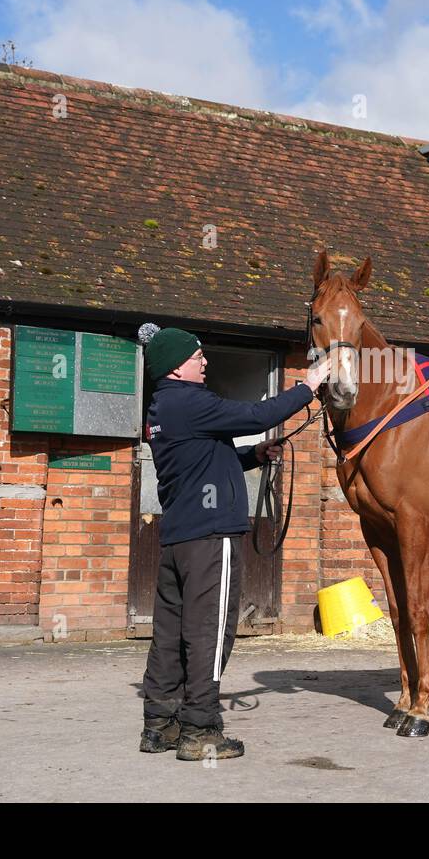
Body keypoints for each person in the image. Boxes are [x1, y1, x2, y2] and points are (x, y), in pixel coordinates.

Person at [136, 324, 331, 761]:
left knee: (169, 635)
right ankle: (200, 730)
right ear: (175, 367)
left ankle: (160, 724)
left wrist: (253, 456)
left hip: (178, 540)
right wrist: (309, 387)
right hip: (211, 540)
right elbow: (257, 417)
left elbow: (202, 457)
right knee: (209, 633)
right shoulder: (192, 401)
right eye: (197, 356)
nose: (204, 361)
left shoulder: (164, 408)